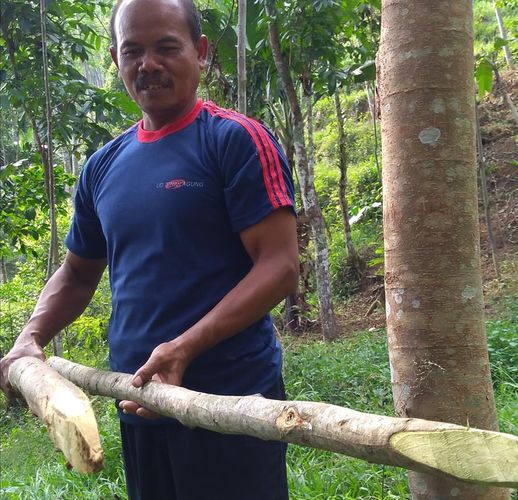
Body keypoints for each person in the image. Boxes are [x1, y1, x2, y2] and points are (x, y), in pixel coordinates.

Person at [0, 0, 298, 497]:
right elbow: (77, 273)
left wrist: (184, 348)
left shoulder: (235, 140)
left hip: (229, 405)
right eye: (133, 50)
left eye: (166, 47)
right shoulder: (103, 165)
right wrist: (30, 337)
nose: (148, 64)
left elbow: (280, 266)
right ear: (115, 59)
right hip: (138, 403)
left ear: (200, 53)